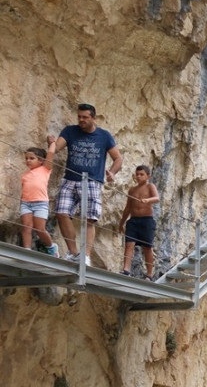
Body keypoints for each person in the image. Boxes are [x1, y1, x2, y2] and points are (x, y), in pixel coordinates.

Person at [51, 103, 123, 265]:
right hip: (70, 179)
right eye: (79, 117)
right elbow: (57, 148)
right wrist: (51, 143)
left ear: (93, 118)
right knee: (61, 213)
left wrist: (112, 172)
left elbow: (118, 158)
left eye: (85, 117)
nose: (81, 120)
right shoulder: (70, 131)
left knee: (89, 219)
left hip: (91, 181)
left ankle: (86, 256)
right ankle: (73, 252)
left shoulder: (104, 136)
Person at [118, 165, 159, 279]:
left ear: (148, 176)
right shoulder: (132, 190)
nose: (139, 177)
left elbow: (157, 198)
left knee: (147, 247)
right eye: (137, 174)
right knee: (129, 244)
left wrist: (148, 200)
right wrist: (121, 223)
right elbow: (127, 208)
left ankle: (149, 274)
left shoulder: (150, 186)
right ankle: (126, 270)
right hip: (133, 221)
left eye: (142, 174)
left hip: (146, 220)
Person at [19, 141, 60, 257]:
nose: (28, 161)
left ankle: (51, 247)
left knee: (40, 229)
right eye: (26, 158)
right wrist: (21, 203)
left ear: (41, 160)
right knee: (26, 227)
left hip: (41, 203)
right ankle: (26, 250)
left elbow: (51, 154)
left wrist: (52, 143)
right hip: (26, 203)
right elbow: (23, 191)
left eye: (32, 158)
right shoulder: (25, 175)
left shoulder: (45, 169)